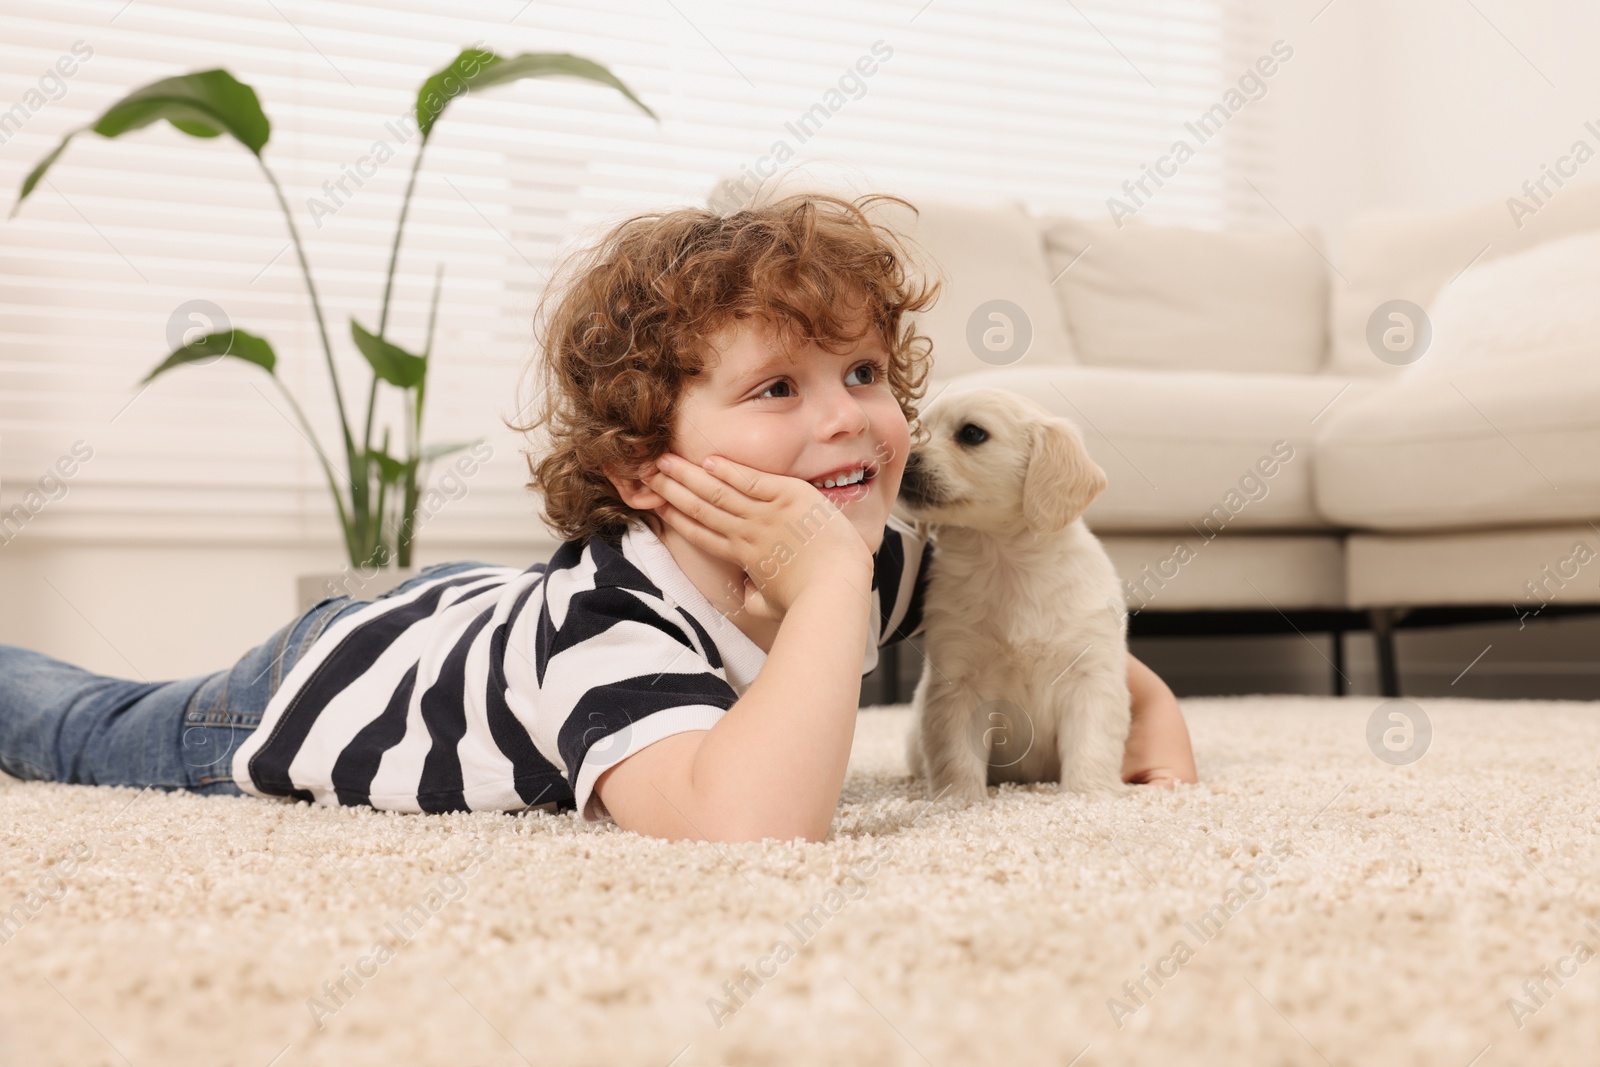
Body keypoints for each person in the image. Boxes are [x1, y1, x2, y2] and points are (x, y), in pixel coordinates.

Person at [0, 192, 1196, 843]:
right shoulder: (613, 633)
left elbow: (1069, 642)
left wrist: (1152, 713)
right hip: (319, 684)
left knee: (492, 600)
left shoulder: (881, 552)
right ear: (639, 465)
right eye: (778, 388)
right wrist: (825, 589)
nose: (848, 419)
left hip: (474, 610)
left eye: (866, 375)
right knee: (82, 721)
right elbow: (747, 829)